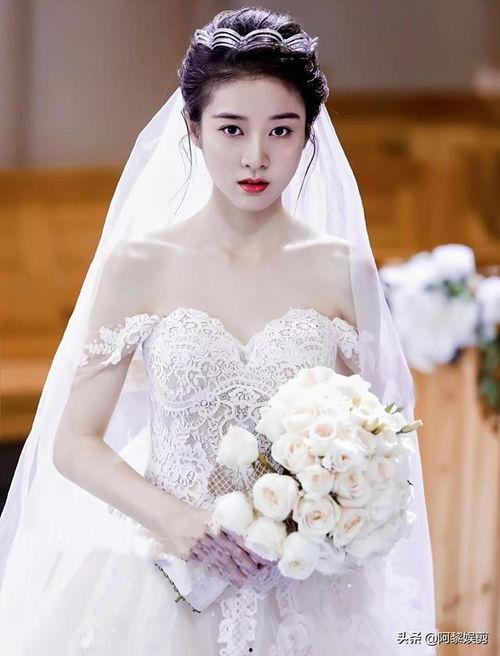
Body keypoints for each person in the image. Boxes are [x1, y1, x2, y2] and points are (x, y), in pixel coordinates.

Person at [0, 7, 437, 655]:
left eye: (281, 130)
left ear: (308, 135)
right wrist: (177, 522)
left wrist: (325, 514)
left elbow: (379, 436)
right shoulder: (139, 265)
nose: (256, 155)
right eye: (232, 128)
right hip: (166, 577)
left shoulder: (343, 272)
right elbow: (75, 443)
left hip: (305, 588)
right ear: (194, 129)